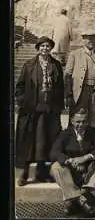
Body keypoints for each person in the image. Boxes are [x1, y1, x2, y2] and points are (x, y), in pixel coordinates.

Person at [15, 36, 64, 186]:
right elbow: (19, 86)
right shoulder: (29, 65)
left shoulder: (55, 65)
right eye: (42, 46)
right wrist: (23, 101)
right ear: (38, 48)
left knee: (46, 142)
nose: (45, 49)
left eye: (48, 46)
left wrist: (58, 106)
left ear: (51, 49)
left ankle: (42, 173)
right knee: (29, 141)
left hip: (49, 110)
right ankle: (24, 174)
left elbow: (60, 87)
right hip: (31, 110)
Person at [50, 108, 95, 216]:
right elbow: (54, 152)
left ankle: (74, 200)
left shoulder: (93, 132)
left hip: (88, 172)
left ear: (88, 121)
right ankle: (81, 199)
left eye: (84, 121)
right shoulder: (65, 134)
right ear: (72, 121)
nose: (81, 125)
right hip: (71, 174)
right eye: (78, 122)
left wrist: (86, 158)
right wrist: (71, 161)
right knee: (55, 167)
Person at [64, 30, 95, 134]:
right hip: (80, 92)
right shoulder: (75, 54)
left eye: (93, 38)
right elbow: (67, 75)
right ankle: (75, 144)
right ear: (83, 39)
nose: (91, 40)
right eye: (88, 38)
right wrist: (68, 94)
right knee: (78, 119)